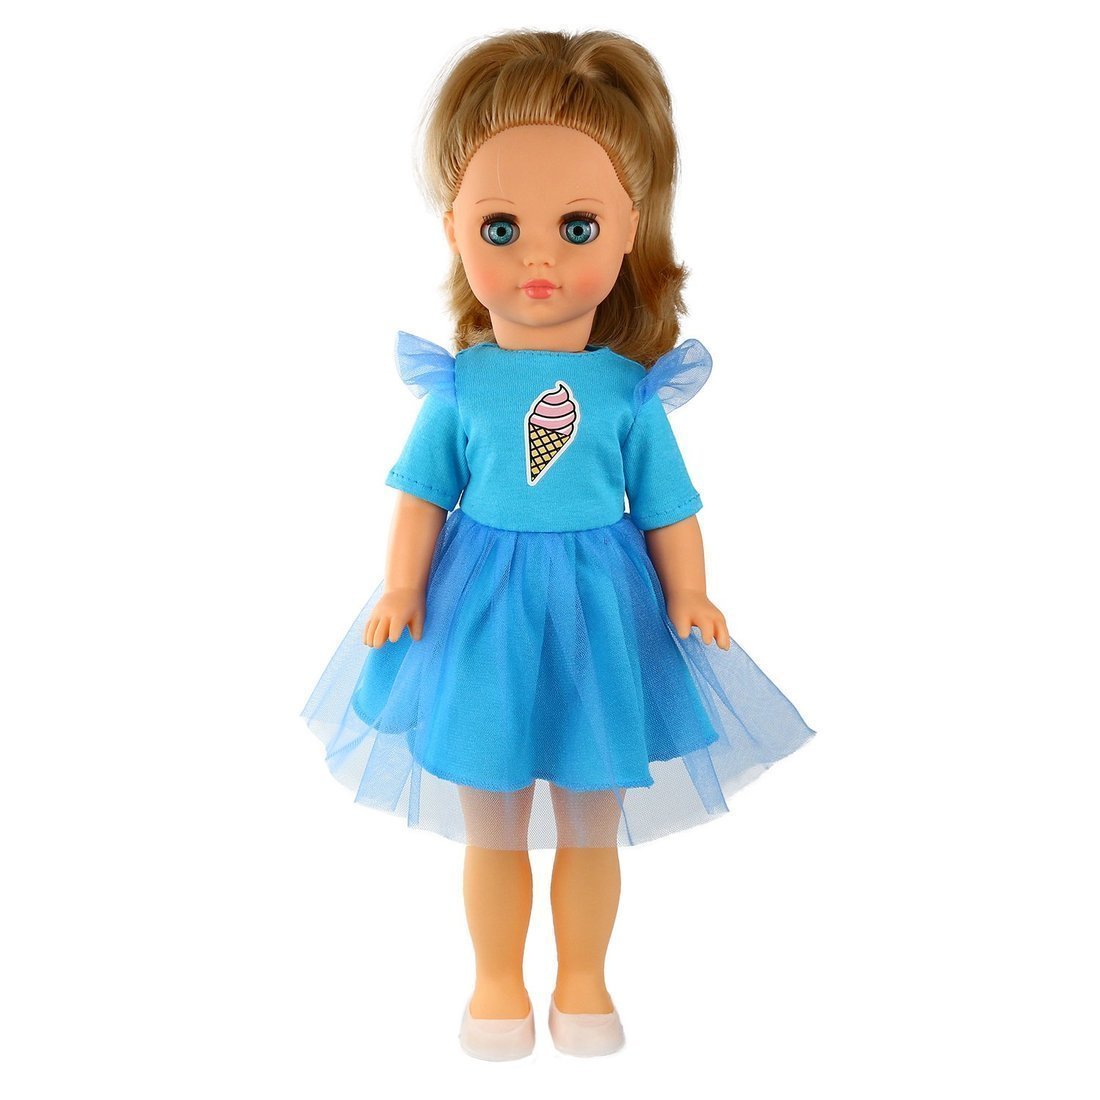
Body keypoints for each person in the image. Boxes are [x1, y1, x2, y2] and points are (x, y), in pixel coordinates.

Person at [300, 28, 817, 1060]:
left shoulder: (630, 392)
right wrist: (401, 586)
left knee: (589, 811)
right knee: (490, 814)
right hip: (480, 610)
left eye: (576, 226)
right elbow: (419, 494)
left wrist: (689, 593)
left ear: (629, 231)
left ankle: (583, 980)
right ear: (455, 228)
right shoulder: (458, 384)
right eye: (502, 226)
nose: (537, 257)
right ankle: (497, 983)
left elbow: (669, 509)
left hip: (599, 611)